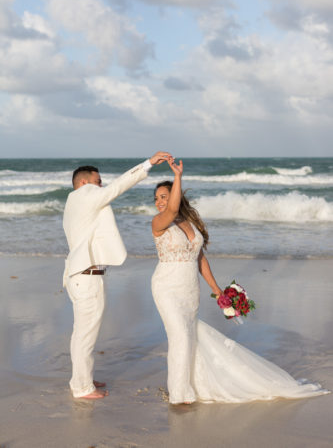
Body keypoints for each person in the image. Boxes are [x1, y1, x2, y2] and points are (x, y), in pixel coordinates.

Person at [151, 158, 329, 404]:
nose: (160, 202)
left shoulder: (189, 223)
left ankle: (190, 385)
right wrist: (178, 176)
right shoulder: (159, 223)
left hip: (189, 290)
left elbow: (200, 259)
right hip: (166, 287)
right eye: (157, 198)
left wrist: (217, 292)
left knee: (190, 336)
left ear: (176, 197)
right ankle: (180, 396)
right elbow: (171, 210)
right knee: (180, 336)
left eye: (164, 196)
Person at [63, 151, 172, 400]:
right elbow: (118, 187)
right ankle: (82, 388)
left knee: (81, 332)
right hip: (87, 277)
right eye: (98, 181)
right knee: (85, 335)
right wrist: (148, 164)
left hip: (78, 275)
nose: (101, 185)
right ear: (84, 183)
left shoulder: (72, 201)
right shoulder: (86, 194)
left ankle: (81, 379)